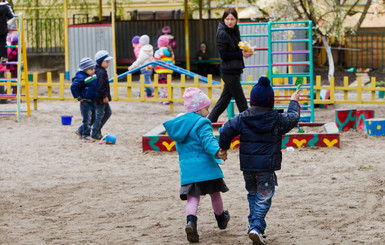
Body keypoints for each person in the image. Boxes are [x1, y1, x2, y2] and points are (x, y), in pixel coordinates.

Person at [218, 77, 301, 245]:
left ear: (252, 101)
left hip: (248, 167)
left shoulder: (242, 118)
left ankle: (254, 225)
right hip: (267, 167)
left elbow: (225, 129)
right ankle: (256, 227)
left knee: (253, 194)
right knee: (264, 197)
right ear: (271, 102)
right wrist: (293, 101)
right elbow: (293, 117)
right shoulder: (277, 119)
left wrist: (224, 147)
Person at [163, 87, 230, 243]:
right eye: (207, 108)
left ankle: (191, 222)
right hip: (207, 168)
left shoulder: (180, 126)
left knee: (192, 198)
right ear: (199, 109)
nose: (208, 111)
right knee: (215, 193)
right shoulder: (202, 123)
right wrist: (217, 151)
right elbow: (208, 140)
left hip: (188, 171)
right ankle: (221, 218)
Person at [208, 8, 254, 123]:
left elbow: (237, 48)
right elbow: (224, 55)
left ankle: (209, 121)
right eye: (227, 19)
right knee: (241, 100)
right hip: (228, 71)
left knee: (224, 101)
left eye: (232, 19)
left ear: (236, 20)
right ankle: (251, 124)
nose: (229, 22)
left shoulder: (234, 30)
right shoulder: (222, 33)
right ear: (223, 20)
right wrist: (241, 54)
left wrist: (246, 51)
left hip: (235, 69)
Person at [70, 58, 98, 142]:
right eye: (91, 69)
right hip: (85, 102)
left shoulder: (92, 76)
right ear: (85, 69)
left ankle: (80, 130)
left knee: (93, 118)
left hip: (93, 100)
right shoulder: (81, 77)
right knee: (87, 119)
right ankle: (85, 135)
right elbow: (73, 87)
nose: (93, 71)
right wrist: (78, 97)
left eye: (94, 69)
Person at [92, 50, 113, 141]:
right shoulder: (100, 72)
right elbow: (100, 87)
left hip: (102, 97)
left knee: (108, 112)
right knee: (99, 115)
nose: (108, 64)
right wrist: (104, 96)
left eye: (108, 62)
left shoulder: (102, 71)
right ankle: (95, 133)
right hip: (100, 98)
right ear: (100, 62)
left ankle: (96, 129)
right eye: (106, 62)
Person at [152, 35, 174, 104]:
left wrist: (150, 67)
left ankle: (165, 98)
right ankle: (167, 97)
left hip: (161, 72)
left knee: (162, 85)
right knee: (168, 85)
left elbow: (154, 62)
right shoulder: (171, 52)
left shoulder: (158, 52)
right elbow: (173, 62)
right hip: (169, 71)